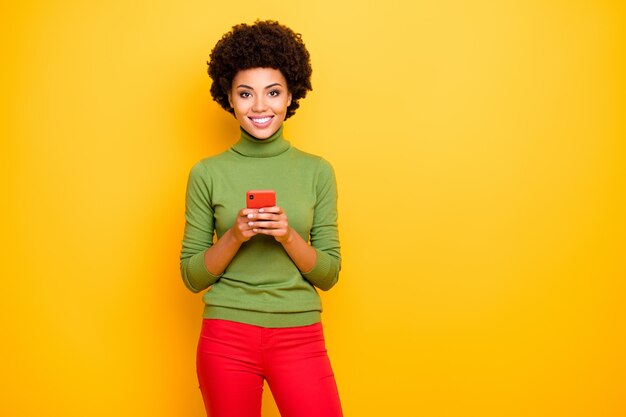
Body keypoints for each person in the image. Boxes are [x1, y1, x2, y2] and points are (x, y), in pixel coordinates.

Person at [179, 20, 343, 417]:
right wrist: (235, 235)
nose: (259, 107)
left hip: (300, 336)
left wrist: (288, 236)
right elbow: (192, 277)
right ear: (229, 99)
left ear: (290, 97)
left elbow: (329, 274)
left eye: (272, 92)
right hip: (226, 337)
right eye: (245, 93)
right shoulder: (207, 173)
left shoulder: (317, 171)